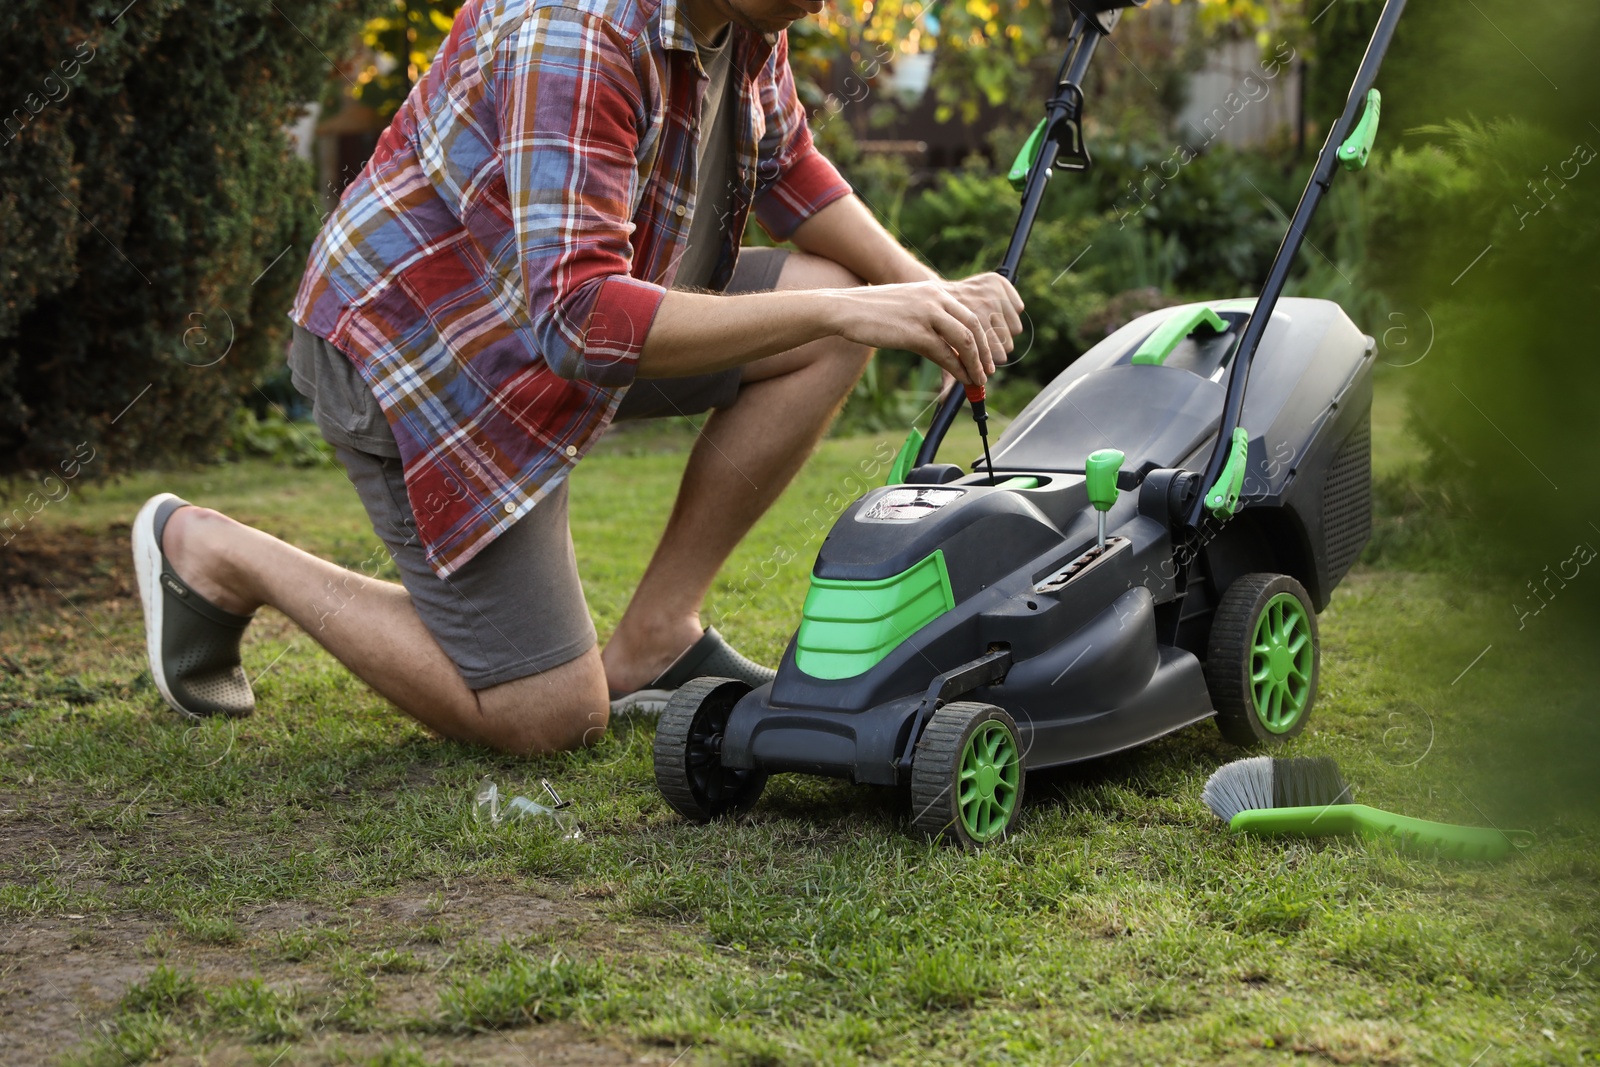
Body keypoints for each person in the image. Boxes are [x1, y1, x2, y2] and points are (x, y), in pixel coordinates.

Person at [130, 0, 1023, 755]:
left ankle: (657, 636)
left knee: (842, 300)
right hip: (427, 357)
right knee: (549, 715)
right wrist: (852, 311)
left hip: (559, 321)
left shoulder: (747, 15)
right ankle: (216, 551)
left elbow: (787, 167)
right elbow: (580, 321)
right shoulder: (576, 28)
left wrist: (928, 301)